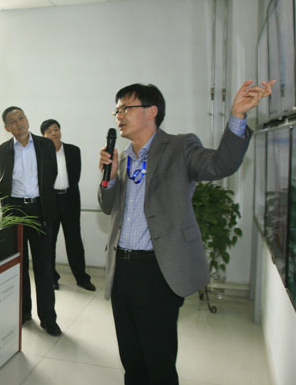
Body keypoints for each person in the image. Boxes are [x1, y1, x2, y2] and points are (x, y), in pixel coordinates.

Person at [98, 79, 274, 384]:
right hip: (122, 268)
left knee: (158, 359)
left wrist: (237, 116)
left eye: (126, 108)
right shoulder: (122, 157)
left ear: (152, 111)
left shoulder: (179, 147)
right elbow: (106, 205)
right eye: (117, 111)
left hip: (158, 269)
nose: (119, 116)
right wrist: (110, 178)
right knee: (131, 356)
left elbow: (220, 164)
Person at [0, 106, 61, 336]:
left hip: (40, 209)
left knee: (44, 266)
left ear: (27, 119)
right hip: (15, 210)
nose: (19, 123)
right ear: (7, 128)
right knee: (19, 264)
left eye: (21, 118)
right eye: (13, 121)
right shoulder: (2, 151)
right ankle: (23, 312)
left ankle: (48, 319)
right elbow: (4, 181)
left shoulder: (45, 145)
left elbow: (51, 175)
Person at [40, 119, 95, 292]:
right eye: (49, 131)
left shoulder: (73, 150)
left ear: (60, 131)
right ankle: (52, 278)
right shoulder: (41, 153)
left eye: (56, 129)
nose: (53, 133)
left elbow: (75, 177)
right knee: (49, 242)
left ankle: (82, 278)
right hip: (51, 202)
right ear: (44, 136)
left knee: (74, 241)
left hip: (70, 200)